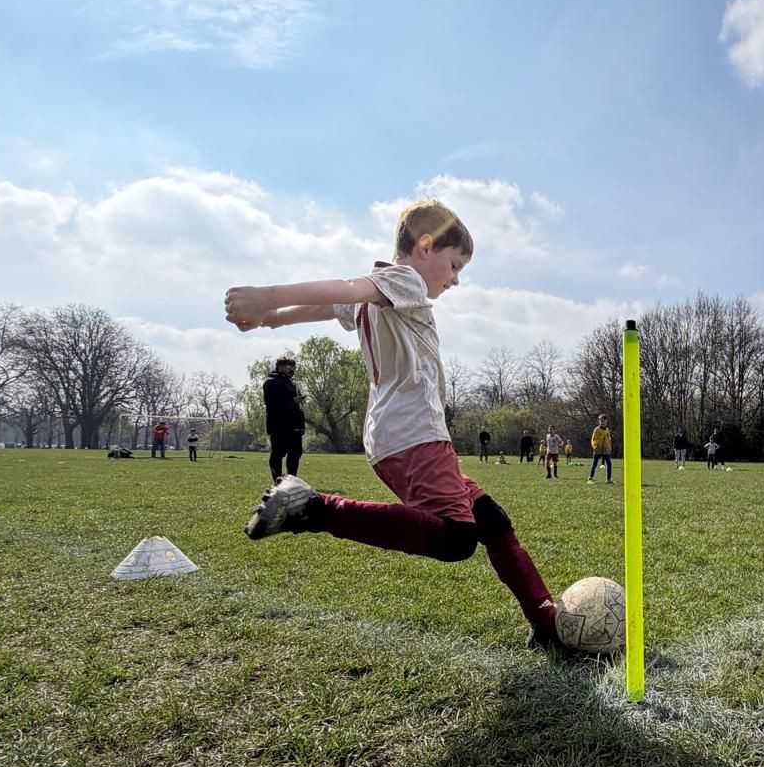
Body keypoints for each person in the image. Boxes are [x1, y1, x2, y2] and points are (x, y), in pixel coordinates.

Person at [222, 199, 563, 650]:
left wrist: (273, 318)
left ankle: (546, 622)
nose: (456, 279)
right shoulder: (404, 281)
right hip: (415, 434)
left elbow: (333, 304)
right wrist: (270, 297)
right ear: (425, 246)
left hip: (397, 436)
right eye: (455, 264)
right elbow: (342, 287)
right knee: (457, 537)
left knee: (491, 520)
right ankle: (313, 508)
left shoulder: (381, 291)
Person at [263, 356, 305, 482]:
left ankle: (292, 479)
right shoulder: (271, 382)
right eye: (288, 366)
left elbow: (299, 408)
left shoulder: (292, 384)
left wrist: (301, 424)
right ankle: (277, 479)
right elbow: (271, 404)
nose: (292, 369)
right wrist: (292, 402)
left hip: (294, 426)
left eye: (293, 366)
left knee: (295, 453)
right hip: (279, 425)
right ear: (280, 367)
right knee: (278, 454)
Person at [588, 414, 613, 483]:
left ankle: (608, 479)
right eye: (601, 421)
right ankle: (590, 479)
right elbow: (593, 439)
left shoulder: (607, 430)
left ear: (607, 421)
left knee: (609, 464)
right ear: (599, 421)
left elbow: (609, 439)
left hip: (605, 451)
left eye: (604, 421)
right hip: (598, 450)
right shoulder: (597, 430)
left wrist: (609, 448)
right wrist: (595, 447)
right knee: (594, 465)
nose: (603, 422)